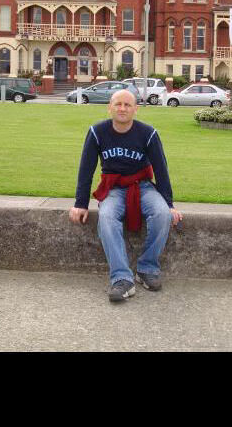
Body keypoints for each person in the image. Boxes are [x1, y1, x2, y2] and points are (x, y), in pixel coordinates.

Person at [69, 88, 183, 302]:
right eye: (118, 104)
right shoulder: (97, 132)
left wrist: (169, 204)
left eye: (127, 105)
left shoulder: (148, 133)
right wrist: (80, 203)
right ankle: (122, 278)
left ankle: (147, 268)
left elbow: (161, 170)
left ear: (135, 109)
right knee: (106, 217)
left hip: (143, 186)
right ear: (109, 107)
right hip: (113, 188)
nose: (122, 108)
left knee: (161, 214)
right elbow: (86, 169)